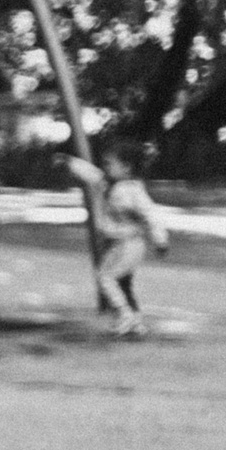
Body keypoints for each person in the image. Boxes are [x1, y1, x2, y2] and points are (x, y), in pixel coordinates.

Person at [66, 140, 169, 336]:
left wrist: (160, 240)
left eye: (110, 164)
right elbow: (90, 173)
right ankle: (135, 323)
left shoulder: (133, 191)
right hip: (121, 244)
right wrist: (70, 162)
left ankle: (125, 315)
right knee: (124, 284)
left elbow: (151, 215)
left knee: (106, 277)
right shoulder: (109, 184)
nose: (105, 167)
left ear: (126, 168)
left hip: (128, 244)